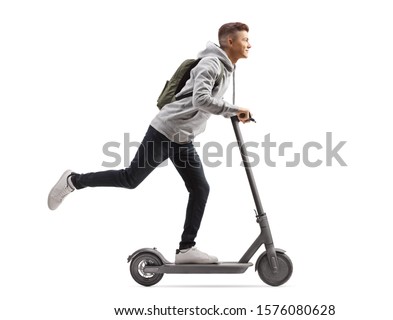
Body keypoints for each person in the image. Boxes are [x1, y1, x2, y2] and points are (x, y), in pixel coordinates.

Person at [48, 22, 252, 264]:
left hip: (182, 138)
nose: (250, 44)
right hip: (165, 131)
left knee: (200, 188)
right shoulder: (212, 64)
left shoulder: (226, 69)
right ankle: (74, 180)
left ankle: (186, 249)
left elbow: (206, 99)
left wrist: (232, 112)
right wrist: (234, 108)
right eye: (245, 39)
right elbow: (200, 99)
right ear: (230, 42)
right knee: (130, 179)